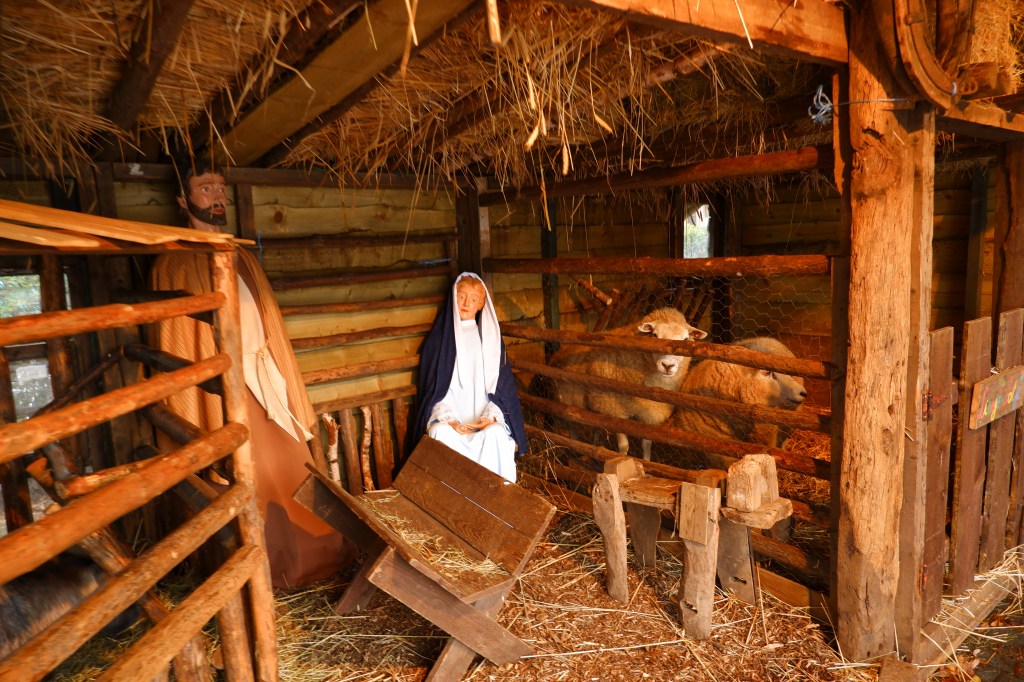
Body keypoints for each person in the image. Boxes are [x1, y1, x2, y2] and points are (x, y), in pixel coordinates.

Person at [150, 160, 353, 589]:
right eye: (206, 188)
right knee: (251, 480)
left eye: (220, 188)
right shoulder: (174, 262)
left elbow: (269, 326)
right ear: (182, 201)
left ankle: (325, 559)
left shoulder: (241, 255)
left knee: (296, 469)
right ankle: (272, 574)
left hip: (266, 384)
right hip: (224, 393)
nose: (218, 197)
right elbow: (177, 342)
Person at [410, 272, 528, 482]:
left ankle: (498, 496)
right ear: (454, 298)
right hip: (452, 420)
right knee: (439, 433)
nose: (466, 303)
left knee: (497, 435)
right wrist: (450, 420)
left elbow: (499, 390)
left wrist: (489, 417)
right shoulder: (438, 342)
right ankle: (449, 497)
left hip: (481, 417)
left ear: (481, 304)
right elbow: (435, 392)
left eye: (473, 299)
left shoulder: (489, 341)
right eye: (462, 296)